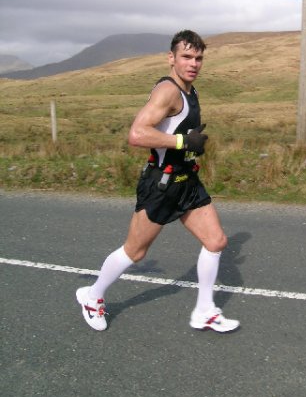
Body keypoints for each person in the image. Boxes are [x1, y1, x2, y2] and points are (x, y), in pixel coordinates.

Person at [76, 29, 239, 333]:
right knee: (135, 252)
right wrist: (181, 142)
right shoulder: (168, 91)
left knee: (216, 241)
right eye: (186, 56)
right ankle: (92, 295)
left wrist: (191, 142)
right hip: (161, 185)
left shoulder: (191, 91)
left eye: (198, 57)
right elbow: (137, 134)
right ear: (171, 58)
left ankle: (204, 311)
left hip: (186, 182)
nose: (193, 63)